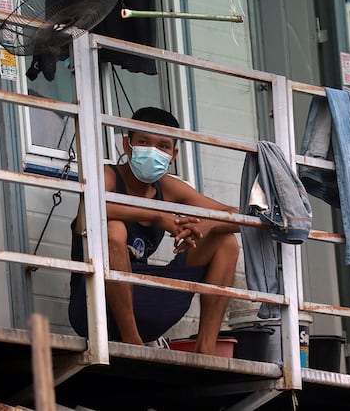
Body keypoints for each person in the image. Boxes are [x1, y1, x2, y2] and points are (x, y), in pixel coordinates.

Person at [69, 106, 240, 355]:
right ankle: (132, 342)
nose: (153, 151)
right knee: (113, 229)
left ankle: (205, 349)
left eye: (163, 146)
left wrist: (206, 224)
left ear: (174, 154)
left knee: (226, 241)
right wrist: (158, 216)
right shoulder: (108, 176)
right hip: (94, 305)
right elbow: (87, 213)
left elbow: (238, 217)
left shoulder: (169, 188)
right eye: (144, 142)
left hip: (146, 301)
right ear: (127, 146)